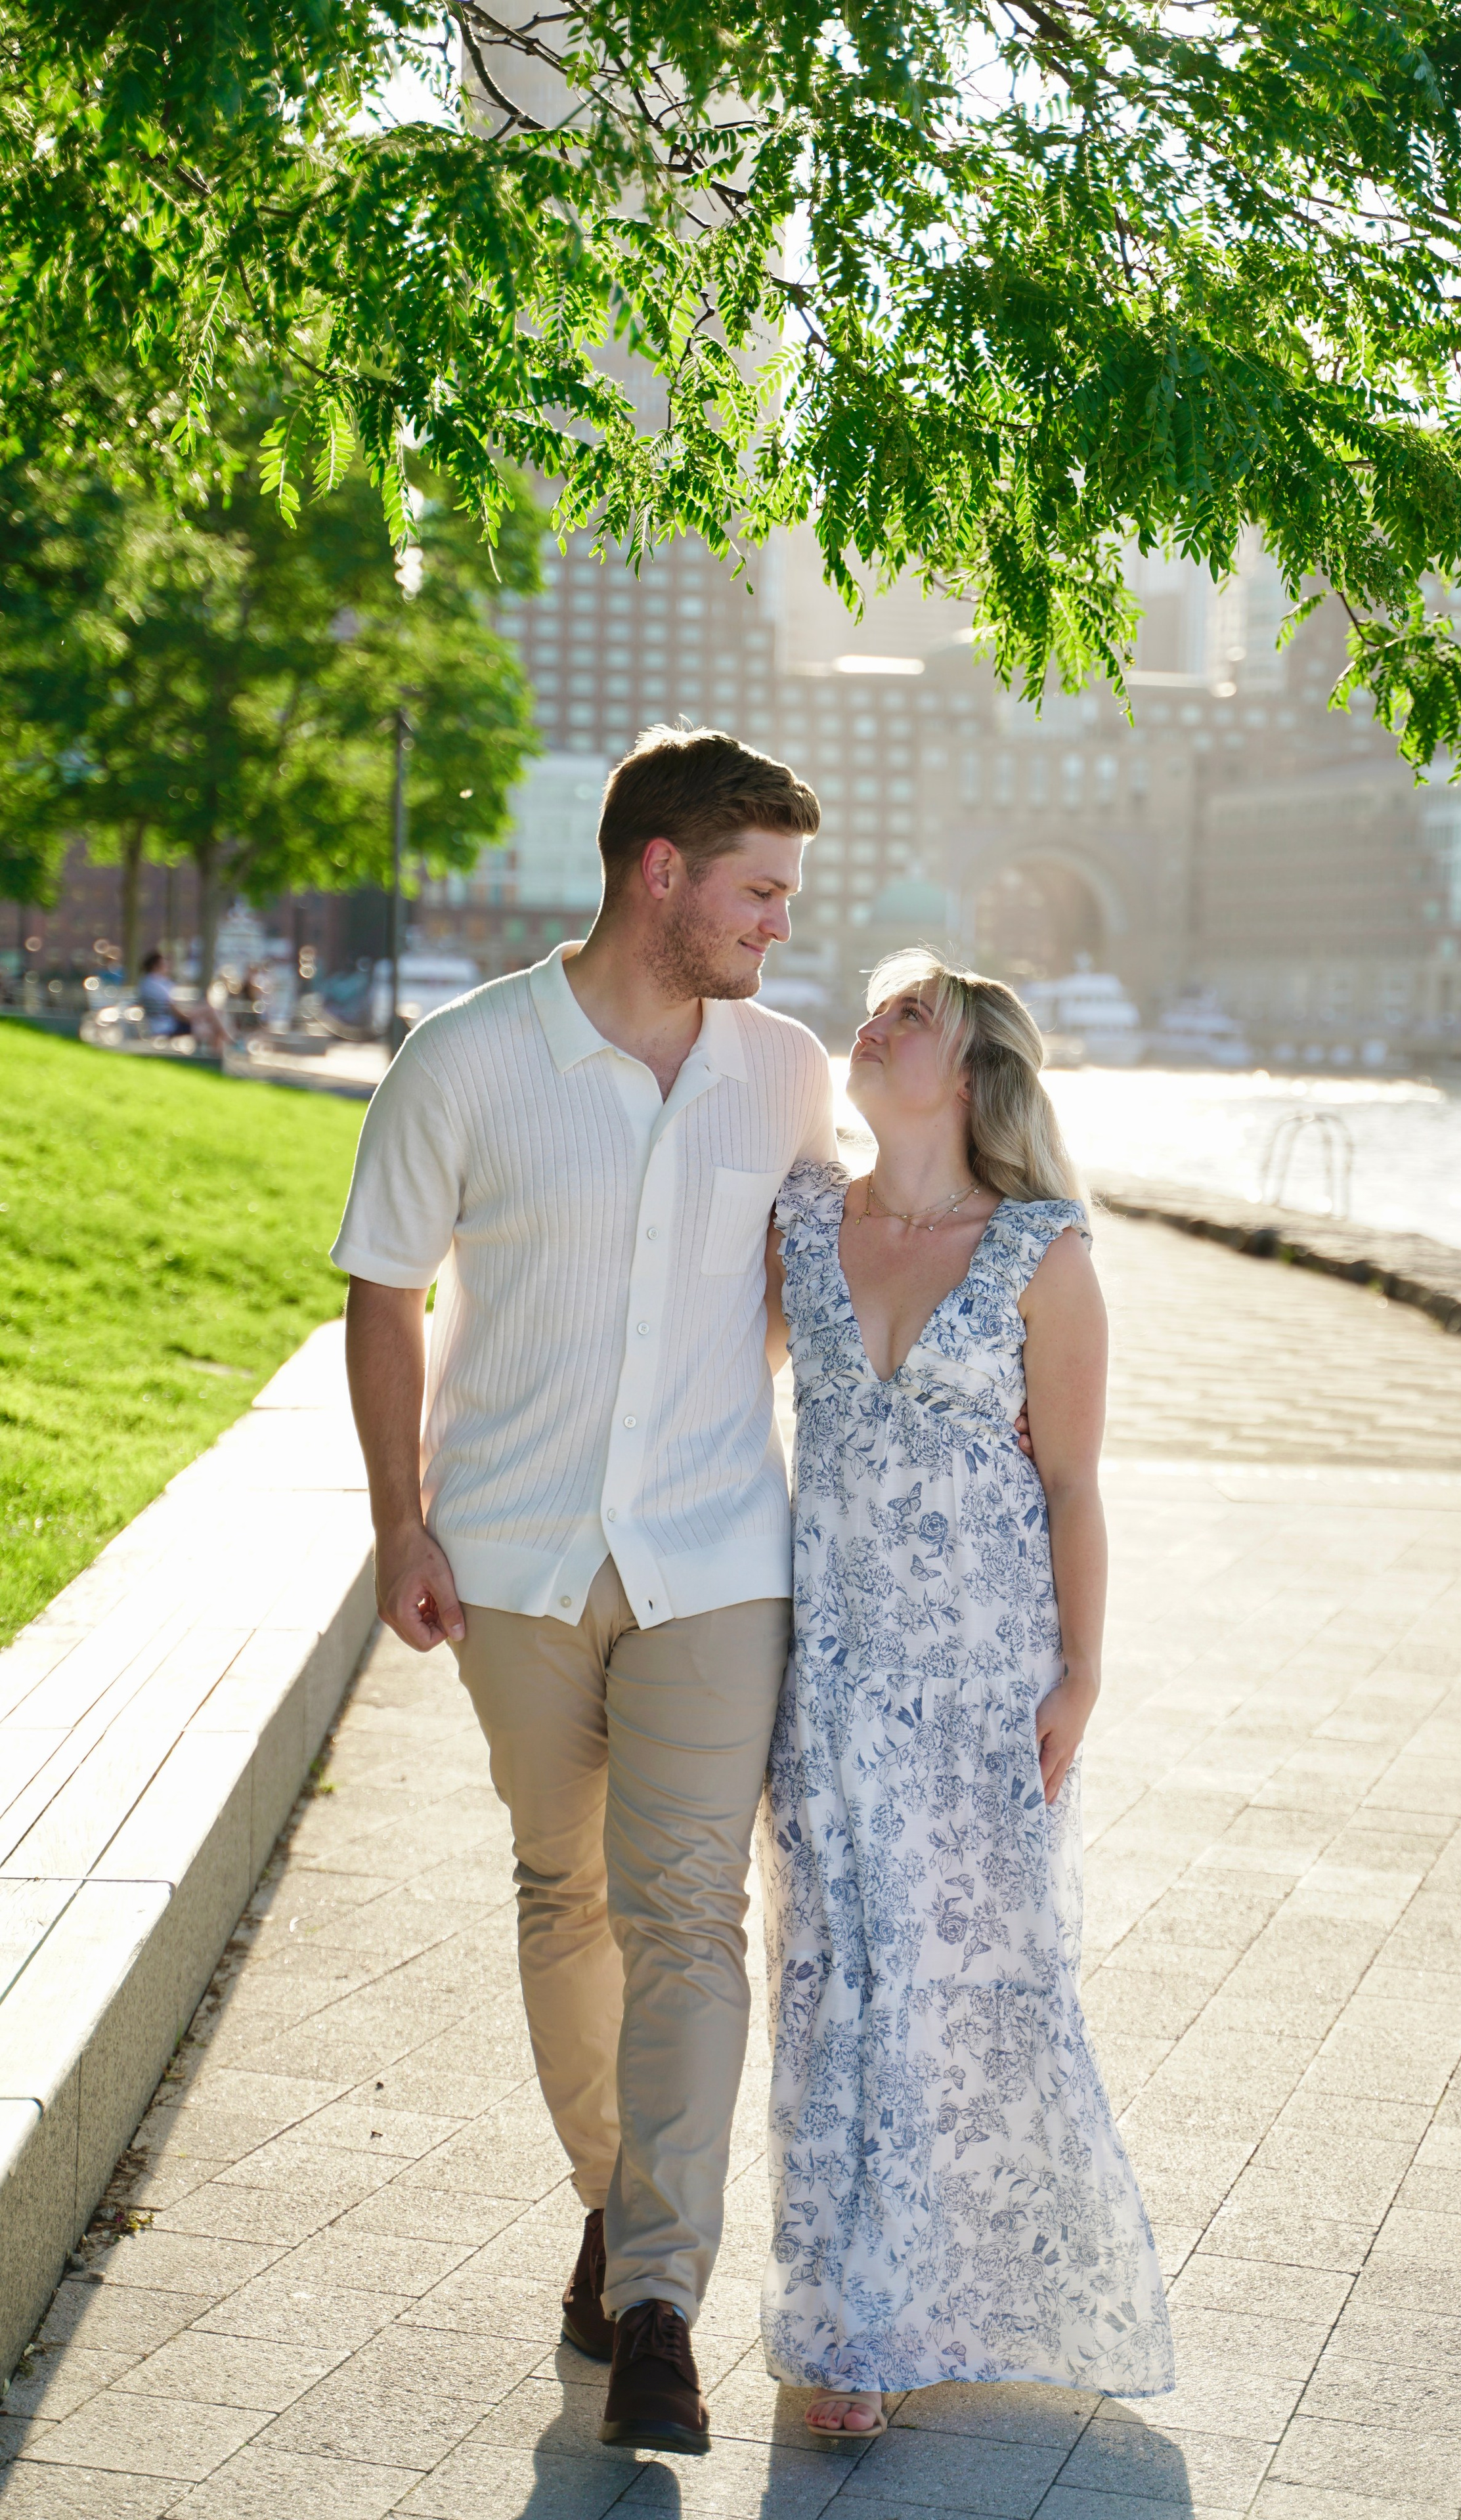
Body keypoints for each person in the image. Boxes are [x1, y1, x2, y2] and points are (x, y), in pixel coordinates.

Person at [331, 726, 834, 2458]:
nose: (779, 925)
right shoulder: (468, 1057)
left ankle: (664, 2302)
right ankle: (617, 2209)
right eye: (759, 891)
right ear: (661, 871)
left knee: (690, 1906)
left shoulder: (784, 1068)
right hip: (520, 1553)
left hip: (716, 1557)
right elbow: (385, 1295)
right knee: (567, 1889)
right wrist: (402, 1523)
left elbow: (810, 1284)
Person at [759, 949, 1175, 2437]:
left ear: (976, 1071)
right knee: (835, 1987)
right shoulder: (803, 1219)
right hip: (829, 1680)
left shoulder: (1039, 1253)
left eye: (909, 1014)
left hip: (982, 1688)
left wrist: (1082, 1672)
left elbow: (1071, 1483)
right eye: (873, 1007)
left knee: (968, 1996)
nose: (871, 1024)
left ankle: (940, 2304)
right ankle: (849, 2321)